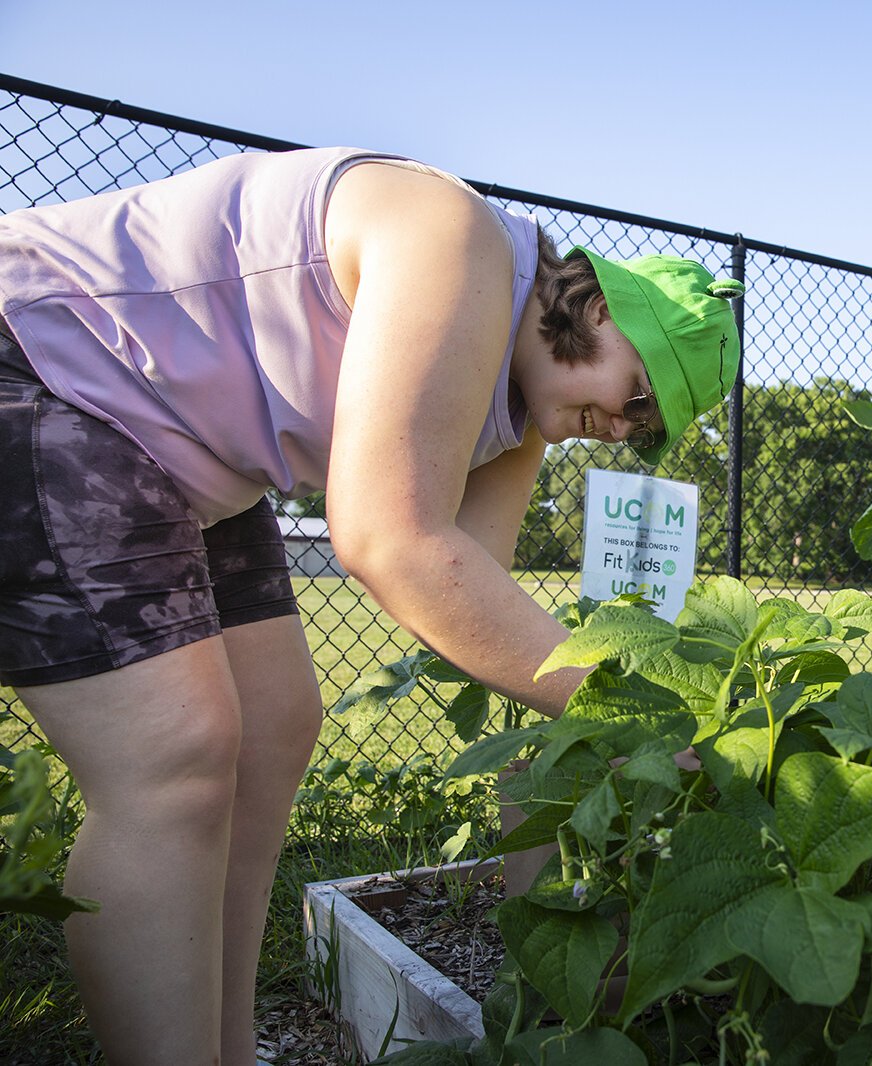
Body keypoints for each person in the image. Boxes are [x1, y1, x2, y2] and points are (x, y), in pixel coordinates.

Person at [0, 146, 743, 1065]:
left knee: (275, 726)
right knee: (176, 756)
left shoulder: (515, 418)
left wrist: (562, 883)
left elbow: (484, 622)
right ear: (595, 305)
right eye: (637, 394)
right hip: (52, 360)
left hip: (186, 454)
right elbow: (389, 540)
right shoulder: (460, 239)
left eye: (648, 431)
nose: (624, 429)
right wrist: (641, 719)